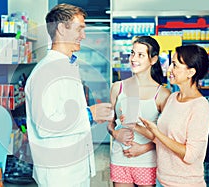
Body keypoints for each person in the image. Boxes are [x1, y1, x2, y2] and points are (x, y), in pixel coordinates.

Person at [24, 3, 113, 187]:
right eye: (79, 29)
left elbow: (66, 112)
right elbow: (45, 125)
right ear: (61, 29)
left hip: (74, 167)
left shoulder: (66, 65)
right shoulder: (46, 72)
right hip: (59, 173)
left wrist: (92, 116)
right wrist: (89, 114)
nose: (84, 35)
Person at [139, 44, 209, 187]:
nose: (169, 69)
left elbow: (190, 155)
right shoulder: (173, 98)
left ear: (190, 72)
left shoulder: (200, 107)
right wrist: (134, 125)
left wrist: (157, 132)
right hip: (162, 180)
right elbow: (161, 139)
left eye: (175, 64)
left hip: (185, 183)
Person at [107, 36, 171, 187]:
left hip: (147, 160)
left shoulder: (162, 94)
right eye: (132, 53)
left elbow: (167, 137)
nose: (133, 59)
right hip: (119, 157)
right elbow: (110, 124)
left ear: (153, 60)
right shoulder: (118, 87)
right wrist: (115, 133)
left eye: (140, 55)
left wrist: (144, 148)